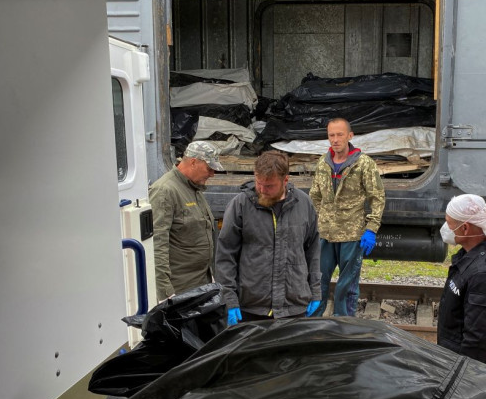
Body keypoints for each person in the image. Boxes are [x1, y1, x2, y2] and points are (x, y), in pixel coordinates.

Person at [215, 151, 321, 325]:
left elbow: (313, 251)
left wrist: (315, 291)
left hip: (293, 306)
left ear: (285, 180)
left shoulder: (304, 204)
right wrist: (229, 298)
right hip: (251, 308)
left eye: (269, 186)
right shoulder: (240, 205)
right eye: (259, 183)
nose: (262, 190)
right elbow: (225, 256)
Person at [308, 118, 385, 317]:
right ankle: (312, 326)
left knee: (347, 286)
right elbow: (315, 195)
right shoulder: (323, 163)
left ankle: (345, 326)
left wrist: (371, 229)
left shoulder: (363, 164)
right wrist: (320, 219)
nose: (335, 139)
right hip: (325, 234)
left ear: (350, 136)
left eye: (339, 134)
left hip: (352, 235)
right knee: (317, 282)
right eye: (331, 135)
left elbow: (377, 197)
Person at [437, 194, 486, 374]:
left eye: (449, 223)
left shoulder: (483, 275)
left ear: (465, 228)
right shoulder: (479, 253)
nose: (445, 228)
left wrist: (459, 379)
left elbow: (477, 341)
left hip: (476, 379)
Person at [149, 141, 224, 302]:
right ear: (193, 162)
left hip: (200, 284)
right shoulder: (165, 191)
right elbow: (158, 244)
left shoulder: (194, 189)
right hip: (180, 290)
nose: (212, 174)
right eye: (209, 168)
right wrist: (165, 292)